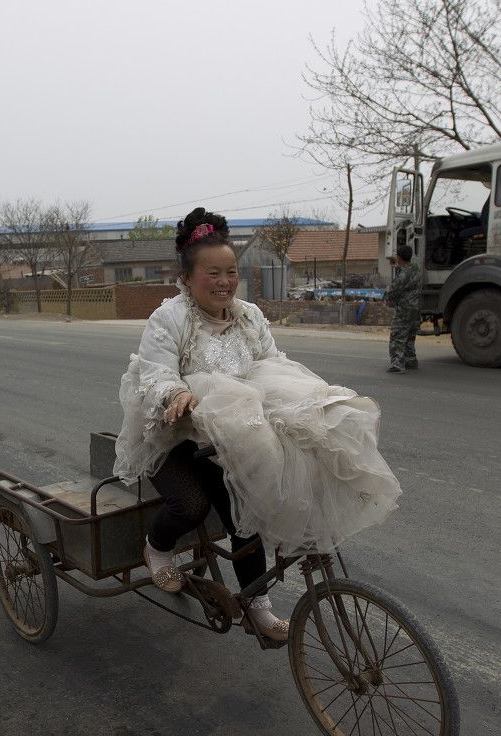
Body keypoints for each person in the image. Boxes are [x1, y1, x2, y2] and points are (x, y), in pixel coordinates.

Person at [114, 207, 402, 643]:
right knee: (190, 506)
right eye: (213, 273)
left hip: (237, 434)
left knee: (247, 514)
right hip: (177, 438)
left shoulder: (249, 316)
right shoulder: (170, 319)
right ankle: (157, 547)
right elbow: (156, 374)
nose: (225, 282)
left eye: (231, 272)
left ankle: (256, 605)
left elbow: (272, 366)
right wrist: (177, 395)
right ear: (188, 277)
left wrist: (309, 401)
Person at [385, 245, 422, 373]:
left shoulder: (403, 274)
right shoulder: (416, 268)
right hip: (415, 309)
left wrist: (388, 298)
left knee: (397, 336)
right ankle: (411, 361)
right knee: (410, 336)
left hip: (404, 310)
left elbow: (393, 291)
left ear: (399, 257)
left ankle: (397, 364)